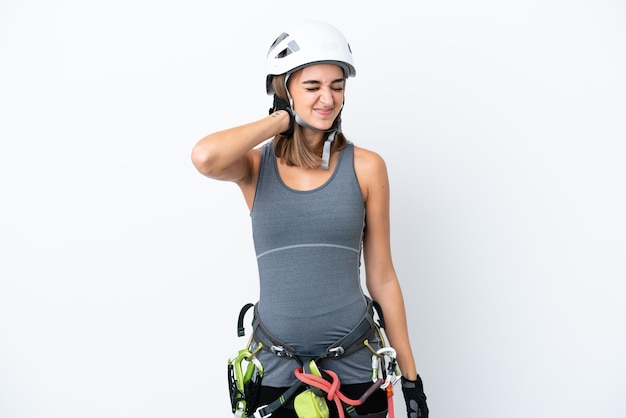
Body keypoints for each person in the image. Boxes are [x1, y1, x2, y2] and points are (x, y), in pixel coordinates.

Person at [191, 20, 429, 418]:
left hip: (355, 371)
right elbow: (205, 157)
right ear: (284, 89)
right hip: (275, 372)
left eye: (337, 86)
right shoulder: (254, 166)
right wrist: (280, 119)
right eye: (312, 86)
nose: (328, 98)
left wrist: (411, 379)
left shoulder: (366, 167)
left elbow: (383, 277)